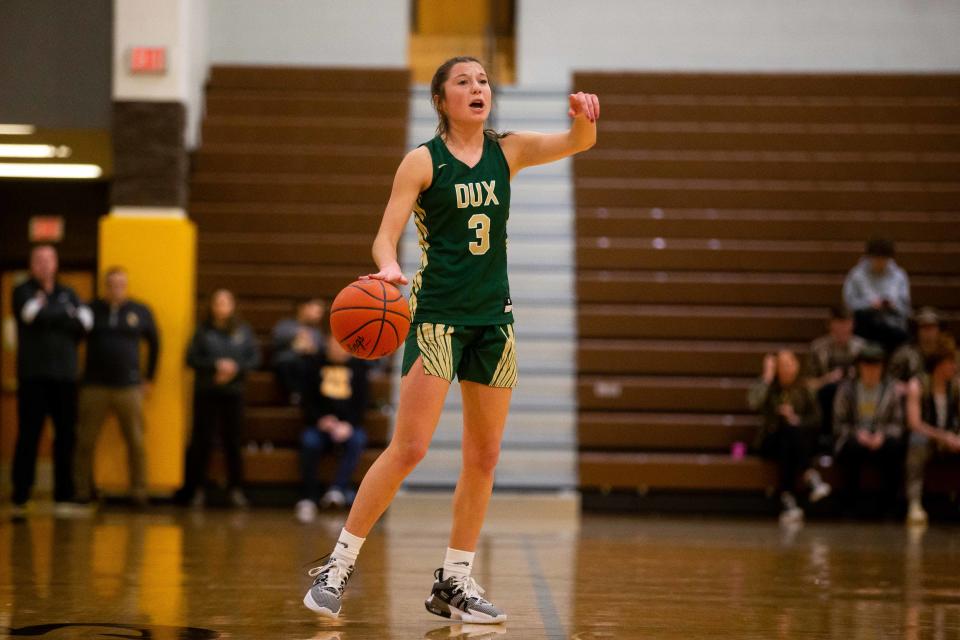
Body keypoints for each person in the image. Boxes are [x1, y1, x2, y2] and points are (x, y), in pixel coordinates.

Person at [302, 57, 598, 623]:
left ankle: (454, 581)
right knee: (409, 448)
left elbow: (576, 143)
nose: (477, 88)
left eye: (483, 81)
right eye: (463, 82)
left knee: (483, 457)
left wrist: (584, 118)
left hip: (495, 322)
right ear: (441, 99)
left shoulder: (506, 150)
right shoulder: (422, 161)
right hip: (437, 317)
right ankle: (338, 565)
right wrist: (389, 270)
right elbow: (384, 238)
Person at [11, 245, 92, 515]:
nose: (44, 265)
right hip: (33, 376)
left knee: (66, 436)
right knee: (29, 435)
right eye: (39, 260)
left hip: (66, 377)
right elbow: (30, 315)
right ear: (32, 264)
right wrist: (64, 314)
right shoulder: (22, 290)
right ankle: (21, 494)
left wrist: (51, 313)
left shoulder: (68, 292)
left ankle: (64, 495)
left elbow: (85, 322)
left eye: (49, 260)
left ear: (56, 264)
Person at [72, 267, 159, 507]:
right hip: (94, 386)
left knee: (136, 441)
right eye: (112, 284)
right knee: (85, 440)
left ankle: (139, 492)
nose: (116, 288)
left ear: (127, 285)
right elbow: (73, 338)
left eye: (121, 283)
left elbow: (155, 343)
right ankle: (82, 490)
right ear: (105, 286)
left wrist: (149, 378)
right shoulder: (91, 310)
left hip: (129, 386)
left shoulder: (140, 311)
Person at [180, 289, 260, 508]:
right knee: (201, 442)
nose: (222, 306)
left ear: (233, 305)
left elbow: (254, 359)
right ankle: (196, 489)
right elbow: (190, 358)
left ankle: (236, 489)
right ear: (212, 306)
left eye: (226, 302)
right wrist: (215, 365)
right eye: (218, 302)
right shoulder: (202, 331)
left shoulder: (243, 331)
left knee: (233, 442)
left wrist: (235, 368)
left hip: (233, 394)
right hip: (207, 392)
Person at [748, 350, 829, 524]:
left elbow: (816, 419)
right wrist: (767, 378)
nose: (785, 369)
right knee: (787, 432)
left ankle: (787, 499)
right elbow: (754, 403)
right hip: (770, 440)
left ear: (796, 365)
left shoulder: (804, 388)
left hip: (793, 444)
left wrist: (797, 420)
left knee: (790, 436)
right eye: (781, 365)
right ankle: (809, 474)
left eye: (789, 364)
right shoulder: (770, 387)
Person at [295, 334, 369, 524]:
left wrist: (349, 424)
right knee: (309, 442)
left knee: (358, 440)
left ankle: (338, 489)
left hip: (347, 425)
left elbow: (362, 403)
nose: (339, 348)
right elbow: (306, 400)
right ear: (327, 344)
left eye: (343, 345)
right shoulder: (314, 365)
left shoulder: (358, 367)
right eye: (335, 344)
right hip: (319, 425)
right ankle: (309, 497)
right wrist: (320, 420)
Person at [833, 342, 905, 515]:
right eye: (867, 365)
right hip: (854, 437)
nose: (871, 370)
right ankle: (850, 505)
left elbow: (898, 423)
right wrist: (857, 434)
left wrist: (882, 435)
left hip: (880, 438)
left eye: (876, 366)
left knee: (894, 447)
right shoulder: (847, 389)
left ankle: (889, 505)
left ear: (882, 367)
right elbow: (838, 423)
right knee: (852, 448)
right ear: (860, 367)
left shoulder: (890, 389)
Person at [904, 334, 960, 525]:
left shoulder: (956, 386)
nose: (954, 366)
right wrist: (944, 437)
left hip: (952, 439)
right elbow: (915, 423)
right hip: (929, 439)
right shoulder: (917, 385)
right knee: (916, 440)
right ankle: (914, 502)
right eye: (951, 362)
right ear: (939, 364)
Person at [806, 306, 865, 450]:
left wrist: (854, 377)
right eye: (839, 323)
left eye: (846, 323)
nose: (843, 329)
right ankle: (826, 437)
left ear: (852, 324)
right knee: (830, 390)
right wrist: (827, 379)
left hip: (857, 395)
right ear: (830, 324)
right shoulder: (818, 348)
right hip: (826, 395)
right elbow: (808, 383)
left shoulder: (862, 348)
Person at [842, 236, 911, 352]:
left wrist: (893, 305)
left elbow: (906, 309)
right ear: (869, 257)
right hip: (864, 326)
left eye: (883, 259)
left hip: (892, 326)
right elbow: (848, 304)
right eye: (877, 259)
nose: (880, 263)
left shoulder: (899, 276)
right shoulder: (857, 275)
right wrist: (869, 304)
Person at [272, 299, 325, 405]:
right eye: (316, 311)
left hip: (309, 363)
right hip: (289, 363)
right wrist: (295, 336)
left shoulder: (317, 332)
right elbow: (276, 339)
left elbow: (322, 350)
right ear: (303, 308)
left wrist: (312, 349)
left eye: (320, 312)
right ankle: (295, 393)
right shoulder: (286, 325)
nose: (318, 315)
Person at [889, 307, 944, 382]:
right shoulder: (904, 355)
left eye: (932, 327)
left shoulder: (946, 353)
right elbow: (891, 381)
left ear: (938, 329)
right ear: (917, 330)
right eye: (924, 327)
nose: (929, 332)